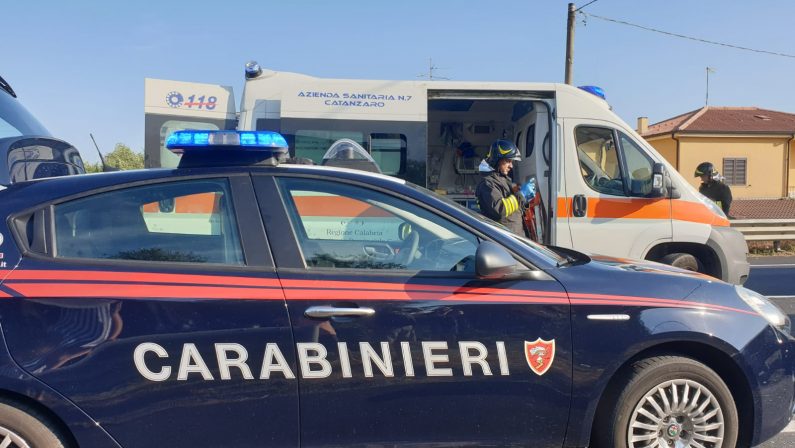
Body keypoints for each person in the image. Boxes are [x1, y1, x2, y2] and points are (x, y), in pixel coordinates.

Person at [476, 139, 534, 235]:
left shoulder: (503, 179)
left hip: (514, 236)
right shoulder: (488, 183)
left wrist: (526, 199)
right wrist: (522, 195)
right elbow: (499, 210)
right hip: (504, 240)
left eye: (511, 162)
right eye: (507, 161)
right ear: (496, 160)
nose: (511, 166)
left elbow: (514, 207)